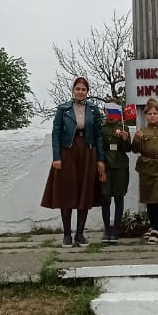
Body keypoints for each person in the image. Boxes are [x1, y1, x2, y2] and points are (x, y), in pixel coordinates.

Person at [41, 76, 106, 247]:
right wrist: (56, 157)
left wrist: (100, 159)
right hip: (68, 151)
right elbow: (56, 133)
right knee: (67, 192)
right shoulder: (63, 109)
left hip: (88, 150)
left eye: (83, 89)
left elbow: (99, 135)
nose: (80, 92)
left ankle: (80, 234)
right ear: (73, 90)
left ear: (87, 92)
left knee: (85, 191)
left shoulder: (93, 109)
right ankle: (67, 234)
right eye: (77, 88)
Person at [132, 98, 158, 244]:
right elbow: (135, 150)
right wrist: (136, 139)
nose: (152, 116)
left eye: (155, 113)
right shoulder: (141, 131)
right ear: (145, 116)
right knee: (149, 199)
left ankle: (155, 228)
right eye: (149, 113)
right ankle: (153, 225)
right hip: (147, 167)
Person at [101, 104, 133, 243]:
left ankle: (116, 231)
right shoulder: (101, 128)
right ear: (105, 112)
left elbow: (128, 149)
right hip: (106, 166)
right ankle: (107, 229)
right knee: (106, 198)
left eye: (113, 112)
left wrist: (125, 139)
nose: (111, 115)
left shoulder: (124, 127)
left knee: (119, 198)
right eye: (108, 112)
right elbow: (98, 147)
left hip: (120, 166)